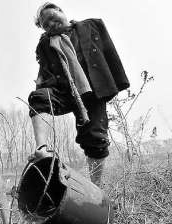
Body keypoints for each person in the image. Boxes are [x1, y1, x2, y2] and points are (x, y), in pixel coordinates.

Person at [28, 2, 130, 186]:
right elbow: (43, 71)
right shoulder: (45, 44)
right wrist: (42, 87)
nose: (51, 24)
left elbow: (109, 51)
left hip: (93, 91)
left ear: (61, 11)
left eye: (52, 17)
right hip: (63, 91)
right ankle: (42, 149)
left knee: (96, 139)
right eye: (45, 24)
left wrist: (115, 82)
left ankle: (96, 188)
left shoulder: (91, 25)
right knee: (39, 98)